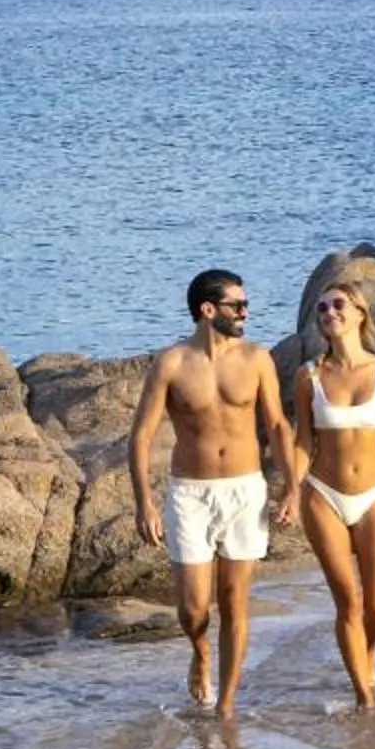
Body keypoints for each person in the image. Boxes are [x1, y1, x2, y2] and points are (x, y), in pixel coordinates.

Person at [128, 268, 292, 720]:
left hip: (245, 490)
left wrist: (292, 485)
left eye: (245, 304)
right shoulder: (172, 363)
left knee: (236, 601)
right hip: (190, 494)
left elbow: (277, 425)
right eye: (237, 306)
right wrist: (144, 500)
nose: (245, 313)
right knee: (193, 608)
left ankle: (226, 704)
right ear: (207, 310)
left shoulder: (257, 359)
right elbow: (141, 436)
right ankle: (200, 651)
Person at [286, 281, 375, 709]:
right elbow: (303, 441)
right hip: (323, 494)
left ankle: (367, 653)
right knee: (349, 601)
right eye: (322, 307)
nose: (329, 312)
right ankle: (365, 697)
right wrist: (290, 490)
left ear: (360, 313)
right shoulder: (308, 377)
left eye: (338, 304)